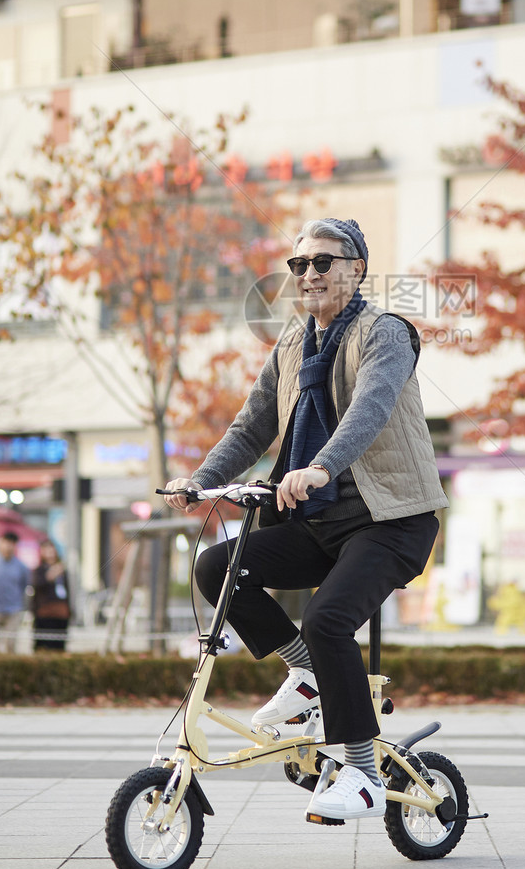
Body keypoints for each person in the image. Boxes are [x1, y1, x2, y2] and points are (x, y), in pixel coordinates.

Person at [165, 218, 447, 824]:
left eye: (325, 261)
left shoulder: (386, 333)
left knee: (328, 618)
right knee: (217, 566)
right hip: (319, 526)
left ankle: (365, 775)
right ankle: (307, 672)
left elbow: (369, 409)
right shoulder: (293, 346)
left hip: (390, 521)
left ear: (357, 268)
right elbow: (251, 426)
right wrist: (200, 481)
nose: (310, 273)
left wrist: (320, 466)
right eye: (300, 265)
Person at [0, 530, 30, 653]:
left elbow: (24, 586)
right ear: (0, 543)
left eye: (11, 543)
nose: (7, 546)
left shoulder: (21, 567)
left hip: (13, 610)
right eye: (5, 542)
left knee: (11, 645)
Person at [31, 538, 71, 652]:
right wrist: (50, 575)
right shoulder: (39, 570)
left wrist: (70, 610)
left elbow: (68, 591)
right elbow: (37, 586)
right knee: (43, 644)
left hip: (61, 612)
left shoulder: (62, 570)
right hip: (44, 612)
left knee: (59, 645)